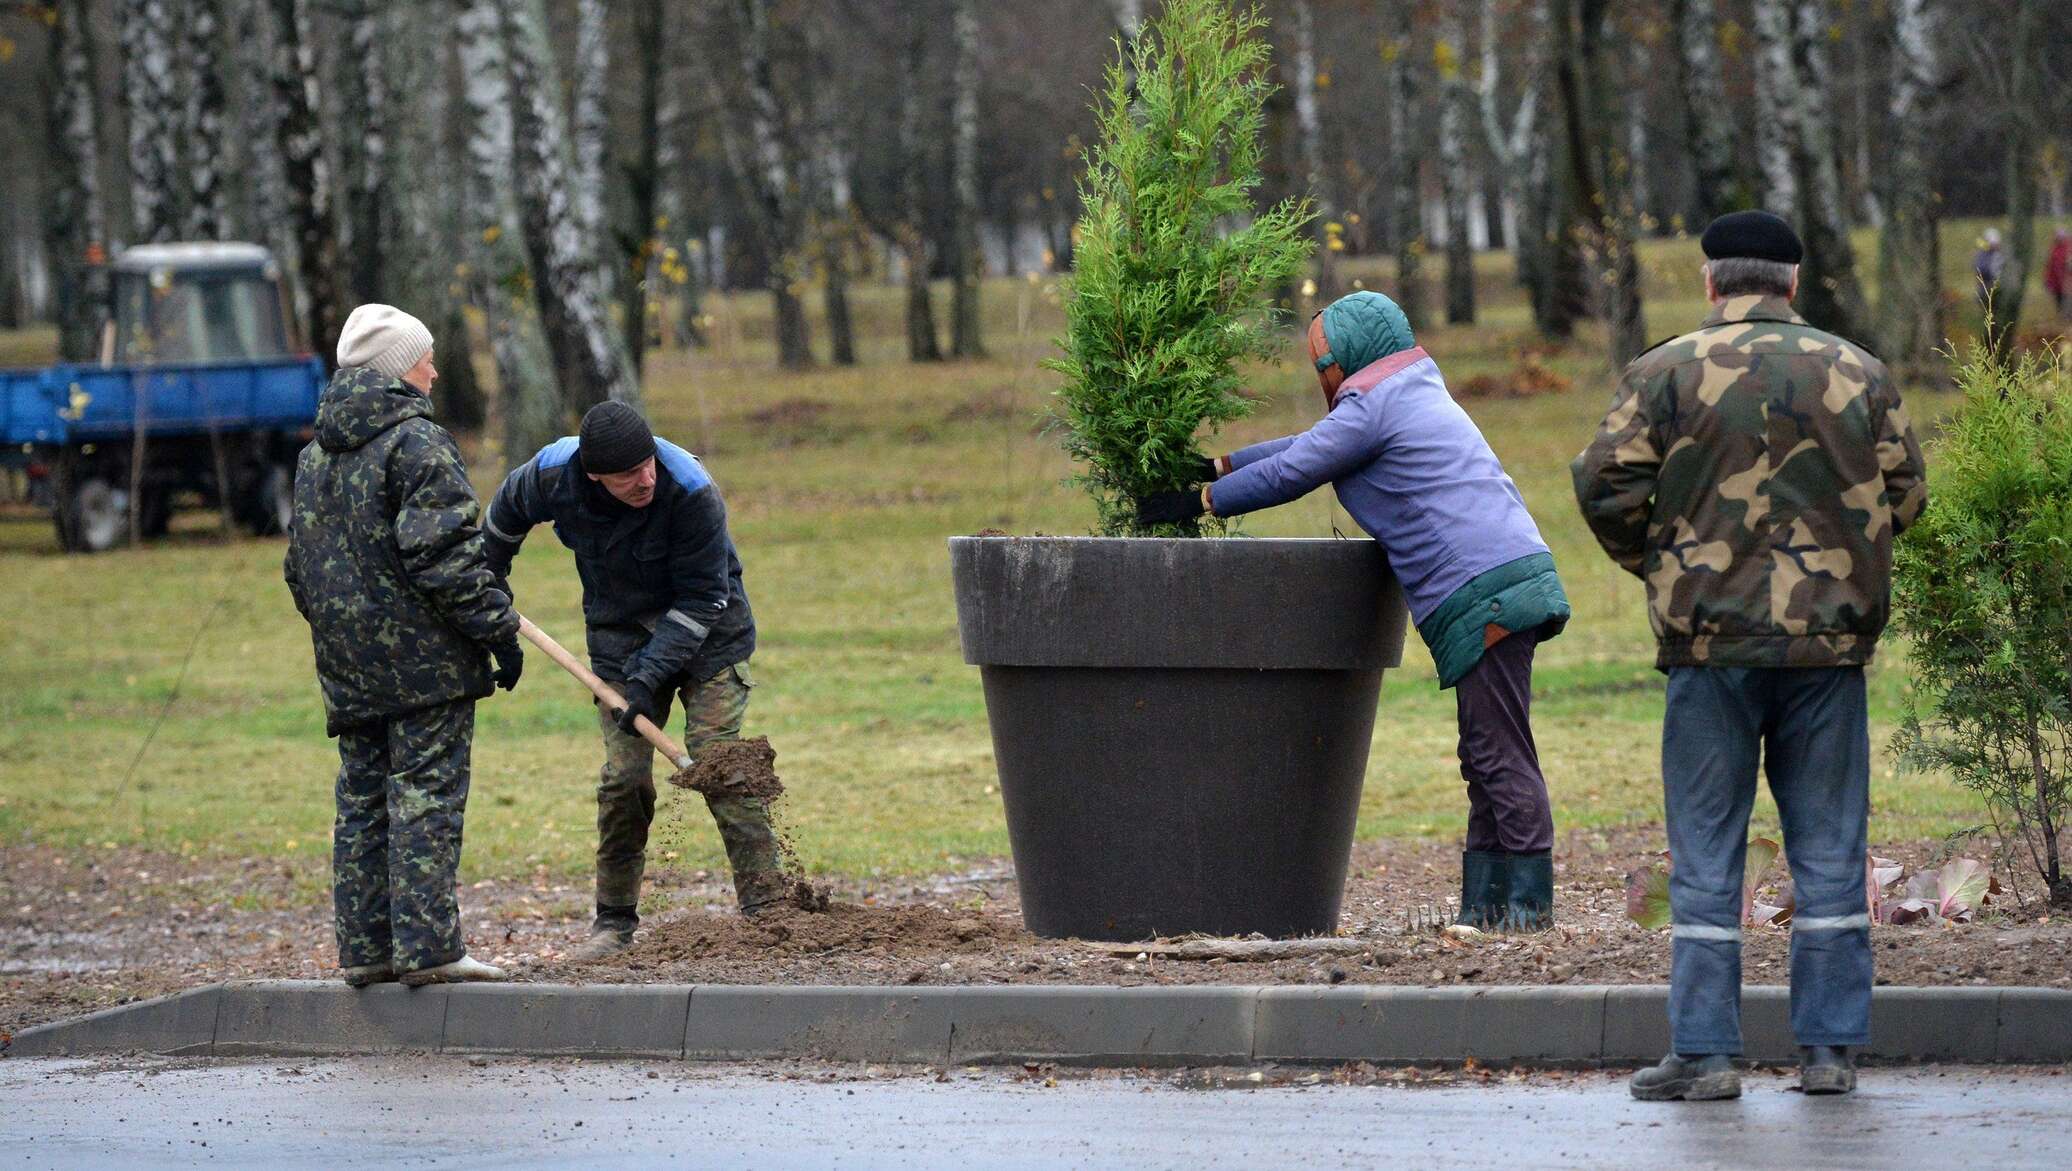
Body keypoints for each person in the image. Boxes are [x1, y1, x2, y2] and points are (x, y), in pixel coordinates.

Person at [1573, 210, 1927, 1102]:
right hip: (1826, 653)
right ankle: (1830, 1050)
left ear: (1711, 282)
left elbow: (1603, 483)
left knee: (1705, 851)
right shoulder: (1858, 371)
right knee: (1831, 849)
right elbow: (1907, 494)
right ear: (1793, 284)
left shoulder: (1663, 372)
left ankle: (1705, 1053)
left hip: (1708, 649)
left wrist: (1662, 564)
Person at [1136, 291, 1572, 931]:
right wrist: (1219, 465)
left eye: (1322, 365)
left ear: (1348, 360)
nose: (1320, 379)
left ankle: (1528, 915)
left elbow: (1295, 471)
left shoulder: (1376, 407)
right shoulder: (1406, 389)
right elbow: (1308, 445)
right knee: (1485, 750)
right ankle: (1489, 912)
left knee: (1499, 751)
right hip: (1505, 578)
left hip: (1487, 591)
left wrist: (1199, 500)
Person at [484, 401, 789, 960]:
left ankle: (769, 911)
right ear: (594, 475)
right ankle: (614, 923)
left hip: (710, 631)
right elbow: (502, 519)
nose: (645, 479)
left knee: (716, 758)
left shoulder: (691, 488)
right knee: (625, 779)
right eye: (628, 475)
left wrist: (650, 678)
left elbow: (703, 597)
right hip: (619, 631)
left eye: (648, 464)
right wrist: (489, 584)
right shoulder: (551, 474)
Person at [284, 304, 525, 987]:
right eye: (425, 358)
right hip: (426, 670)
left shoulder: (313, 455)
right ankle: (429, 950)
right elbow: (445, 556)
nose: (435, 367)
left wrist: (345, 632)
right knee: (425, 797)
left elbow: (300, 569)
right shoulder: (417, 442)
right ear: (397, 371)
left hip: (350, 668)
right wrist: (498, 632)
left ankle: (367, 950)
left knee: (362, 802)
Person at [1973, 227, 2007, 308]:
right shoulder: (1982, 255)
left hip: (1999, 289)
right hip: (1986, 288)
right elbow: (1981, 269)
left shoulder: (2000, 254)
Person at [2045, 228, 2070, 319]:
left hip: (2067, 282)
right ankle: (2064, 317)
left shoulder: (2068, 248)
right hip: (2057, 282)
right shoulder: (2054, 250)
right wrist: (2048, 280)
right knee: (2059, 300)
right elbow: (2050, 266)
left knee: (2067, 300)